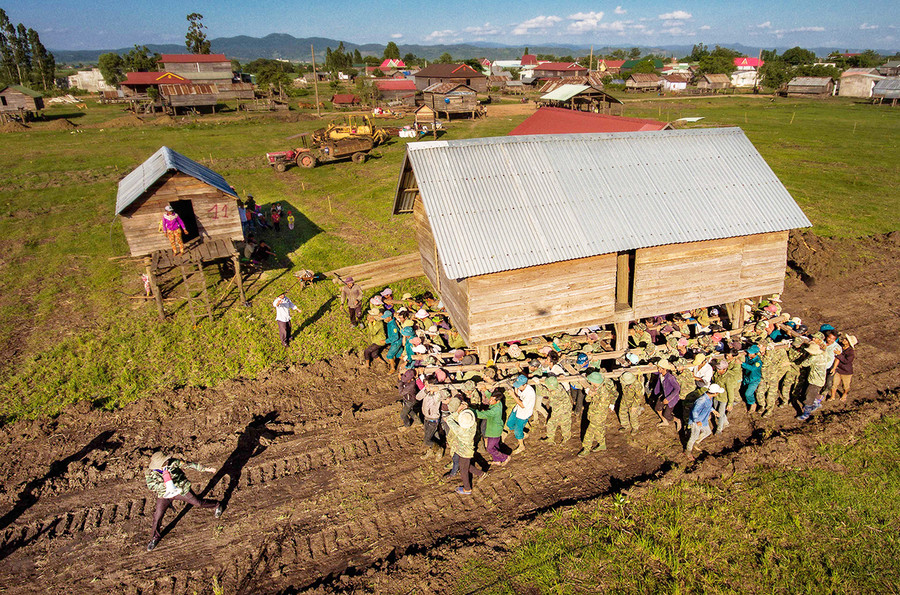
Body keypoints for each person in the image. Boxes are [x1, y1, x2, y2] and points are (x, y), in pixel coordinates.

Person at [145, 451, 221, 551]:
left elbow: (189, 465)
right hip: (165, 495)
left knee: (198, 503)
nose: (168, 461)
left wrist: (205, 469)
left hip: (180, 489)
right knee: (157, 516)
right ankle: (155, 538)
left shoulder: (173, 463)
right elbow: (151, 485)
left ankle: (216, 505)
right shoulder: (149, 472)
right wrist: (163, 485)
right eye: (165, 461)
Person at [446, 407, 483, 495]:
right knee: (465, 465)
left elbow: (449, 420)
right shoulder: (473, 425)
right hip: (468, 450)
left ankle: (467, 489)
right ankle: (481, 473)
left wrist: (457, 410)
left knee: (463, 471)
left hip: (463, 452)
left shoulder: (460, 430)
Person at [579, 372, 616, 456]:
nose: (590, 383)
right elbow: (588, 400)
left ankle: (586, 448)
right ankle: (602, 444)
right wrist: (590, 394)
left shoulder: (603, 392)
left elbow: (601, 406)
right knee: (599, 429)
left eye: (591, 381)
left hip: (598, 415)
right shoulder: (595, 387)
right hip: (593, 413)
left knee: (590, 432)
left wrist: (592, 395)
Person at [685, 384, 722, 460]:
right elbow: (694, 411)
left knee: (707, 432)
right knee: (693, 436)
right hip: (696, 421)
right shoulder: (701, 400)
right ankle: (688, 452)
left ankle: (696, 443)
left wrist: (713, 411)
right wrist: (697, 421)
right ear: (715, 393)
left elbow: (708, 406)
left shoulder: (709, 398)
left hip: (703, 420)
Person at [475, 390, 508, 465]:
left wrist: (471, 411)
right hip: (494, 429)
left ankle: (505, 457)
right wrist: (485, 390)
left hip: (494, 431)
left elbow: (482, 415)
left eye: (492, 400)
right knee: (495, 446)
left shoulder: (494, 410)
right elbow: (491, 396)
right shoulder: (498, 404)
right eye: (491, 399)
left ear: (497, 401)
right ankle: (497, 460)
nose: (490, 401)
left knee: (489, 449)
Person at [797, 343, 829, 421]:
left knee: (809, 396)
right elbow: (828, 359)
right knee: (814, 392)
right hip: (821, 379)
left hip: (815, 381)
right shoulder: (823, 354)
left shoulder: (813, 358)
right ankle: (818, 400)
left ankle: (806, 414)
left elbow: (804, 364)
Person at [758, 340, 789, 417]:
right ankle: (762, 405)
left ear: (764, 347)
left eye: (759, 346)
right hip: (763, 377)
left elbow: (765, 362)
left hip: (772, 377)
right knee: (759, 392)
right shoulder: (759, 353)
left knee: (771, 395)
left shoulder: (771, 354)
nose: (758, 347)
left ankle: (769, 410)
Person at [506, 375, 536, 454]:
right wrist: (515, 387)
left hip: (524, 413)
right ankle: (522, 434)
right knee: (510, 424)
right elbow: (517, 394)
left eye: (519, 386)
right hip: (517, 409)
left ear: (525, 385)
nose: (518, 387)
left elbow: (522, 405)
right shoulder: (521, 387)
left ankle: (521, 445)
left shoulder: (530, 393)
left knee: (517, 431)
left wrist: (513, 395)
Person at [539, 376, 572, 445]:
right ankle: (550, 438)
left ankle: (566, 438)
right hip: (557, 409)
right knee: (551, 423)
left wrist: (538, 384)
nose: (547, 387)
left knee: (565, 424)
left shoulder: (555, 391)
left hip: (564, 410)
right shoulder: (558, 386)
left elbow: (543, 392)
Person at [652, 360, 681, 430]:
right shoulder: (660, 374)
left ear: (664, 369)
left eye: (659, 368)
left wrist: (668, 399)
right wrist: (650, 365)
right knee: (657, 408)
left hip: (671, 397)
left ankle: (677, 420)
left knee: (667, 415)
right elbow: (654, 371)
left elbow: (677, 389)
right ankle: (665, 421)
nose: (658, 369)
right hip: (664, 394)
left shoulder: (670, 377)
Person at [418, 386, 445, 459]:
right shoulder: (426, 391)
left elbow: (434, 402)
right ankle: (432, 450)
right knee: (433, 436)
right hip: (426, 418)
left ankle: (439, 450)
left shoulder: (438, 394)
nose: (427, 387)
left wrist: (435, 391)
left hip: (433, 419)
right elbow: (418, 397)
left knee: (427, 440)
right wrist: (425, 391)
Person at [618, 371, 644, 436]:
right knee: (622, 412)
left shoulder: (637, 385)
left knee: (633, 415)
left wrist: (634, 406)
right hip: (625, 399)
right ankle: (625, 425)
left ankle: (635, 427)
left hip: (633, 401)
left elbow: (639, 397)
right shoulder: (624, 379)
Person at [831, 335, 857, 401]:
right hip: (838, 369)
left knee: (845, 386)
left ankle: (845, 394)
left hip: (846, 372)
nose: (844, 340)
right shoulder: (840, 347)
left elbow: (847, 361)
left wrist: (839, 355)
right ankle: (832, 396)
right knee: (834, 384)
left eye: (846, 340)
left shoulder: (851, 352)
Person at [741, 345, 763, 413]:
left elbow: (752, 368)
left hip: (754, 380)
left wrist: (742, 363)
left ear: (755, 354)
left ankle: (753, 403)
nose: (748, 354)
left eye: (750, 353)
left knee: (748, 393)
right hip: (747, 378)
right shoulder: (748, 357)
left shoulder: (758, 362)